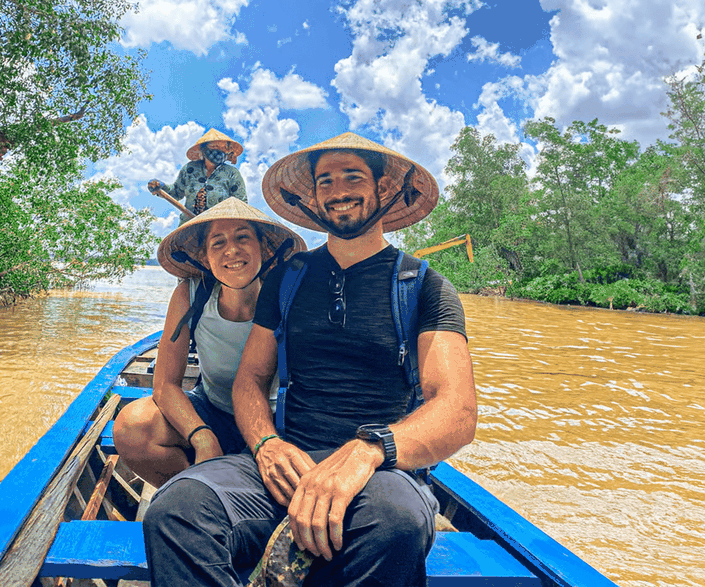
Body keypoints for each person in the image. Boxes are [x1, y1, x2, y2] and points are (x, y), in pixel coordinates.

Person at [142, 132, 477, 587]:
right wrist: (265, 445)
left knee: (395, 524)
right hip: (288, 462)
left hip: (380, 474)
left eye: (352, 176)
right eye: (325, 181)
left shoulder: (423, 286)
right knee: (175, 510)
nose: (338, 190)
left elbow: (455, 411)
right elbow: (250, 381)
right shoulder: (287, 280)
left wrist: (367, 450)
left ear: (383, 190)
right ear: (314, 199)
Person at [113, 197, 306, 487]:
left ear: (264, 250)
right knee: (133, 427)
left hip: (276, 421)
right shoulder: (192, 295)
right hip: (213, 410)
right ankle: (197, 488)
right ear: (205, 258)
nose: (232, 250)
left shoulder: (288, 297)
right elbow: (165, 385)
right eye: (218, 243)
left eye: (243, 238)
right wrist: (202, 437)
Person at [149, 128, 247, 224]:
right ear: (204, 149)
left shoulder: (231, 173)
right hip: (189, 226)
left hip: (219, 229)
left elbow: (241, 204)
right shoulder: (189, 169)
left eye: (222, 148)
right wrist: (161, 186)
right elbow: (176, 192)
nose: (218, 151)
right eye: (214, 147)